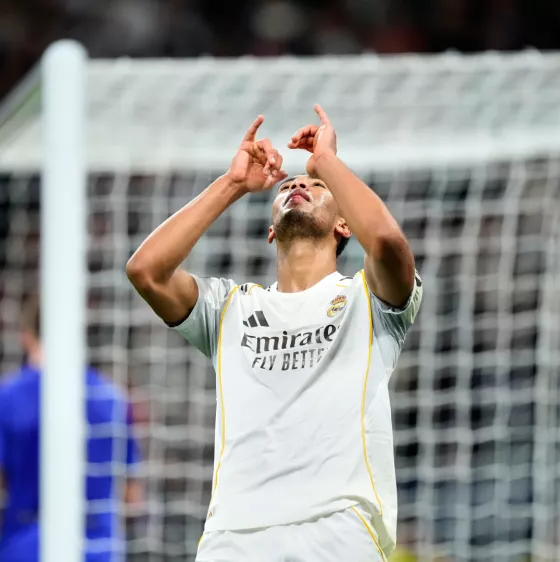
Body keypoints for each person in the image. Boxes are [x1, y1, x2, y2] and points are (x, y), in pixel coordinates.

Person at [126, 104, 422, 562]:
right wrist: (232, 184)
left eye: (315, 186)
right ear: (270, 231)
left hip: (338, 531)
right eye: (288, 185)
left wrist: (326, 162)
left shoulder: (368, 298)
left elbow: (386, 243)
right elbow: (145, 271)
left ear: (344, 224)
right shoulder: (229, 308)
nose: (298, 185)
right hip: (232, 537)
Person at [0, 297, 141, 562]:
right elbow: (131, 495)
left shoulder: (8, 399)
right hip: (98, 552)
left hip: (26, 551)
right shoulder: (112, 400)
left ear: (25, 335)